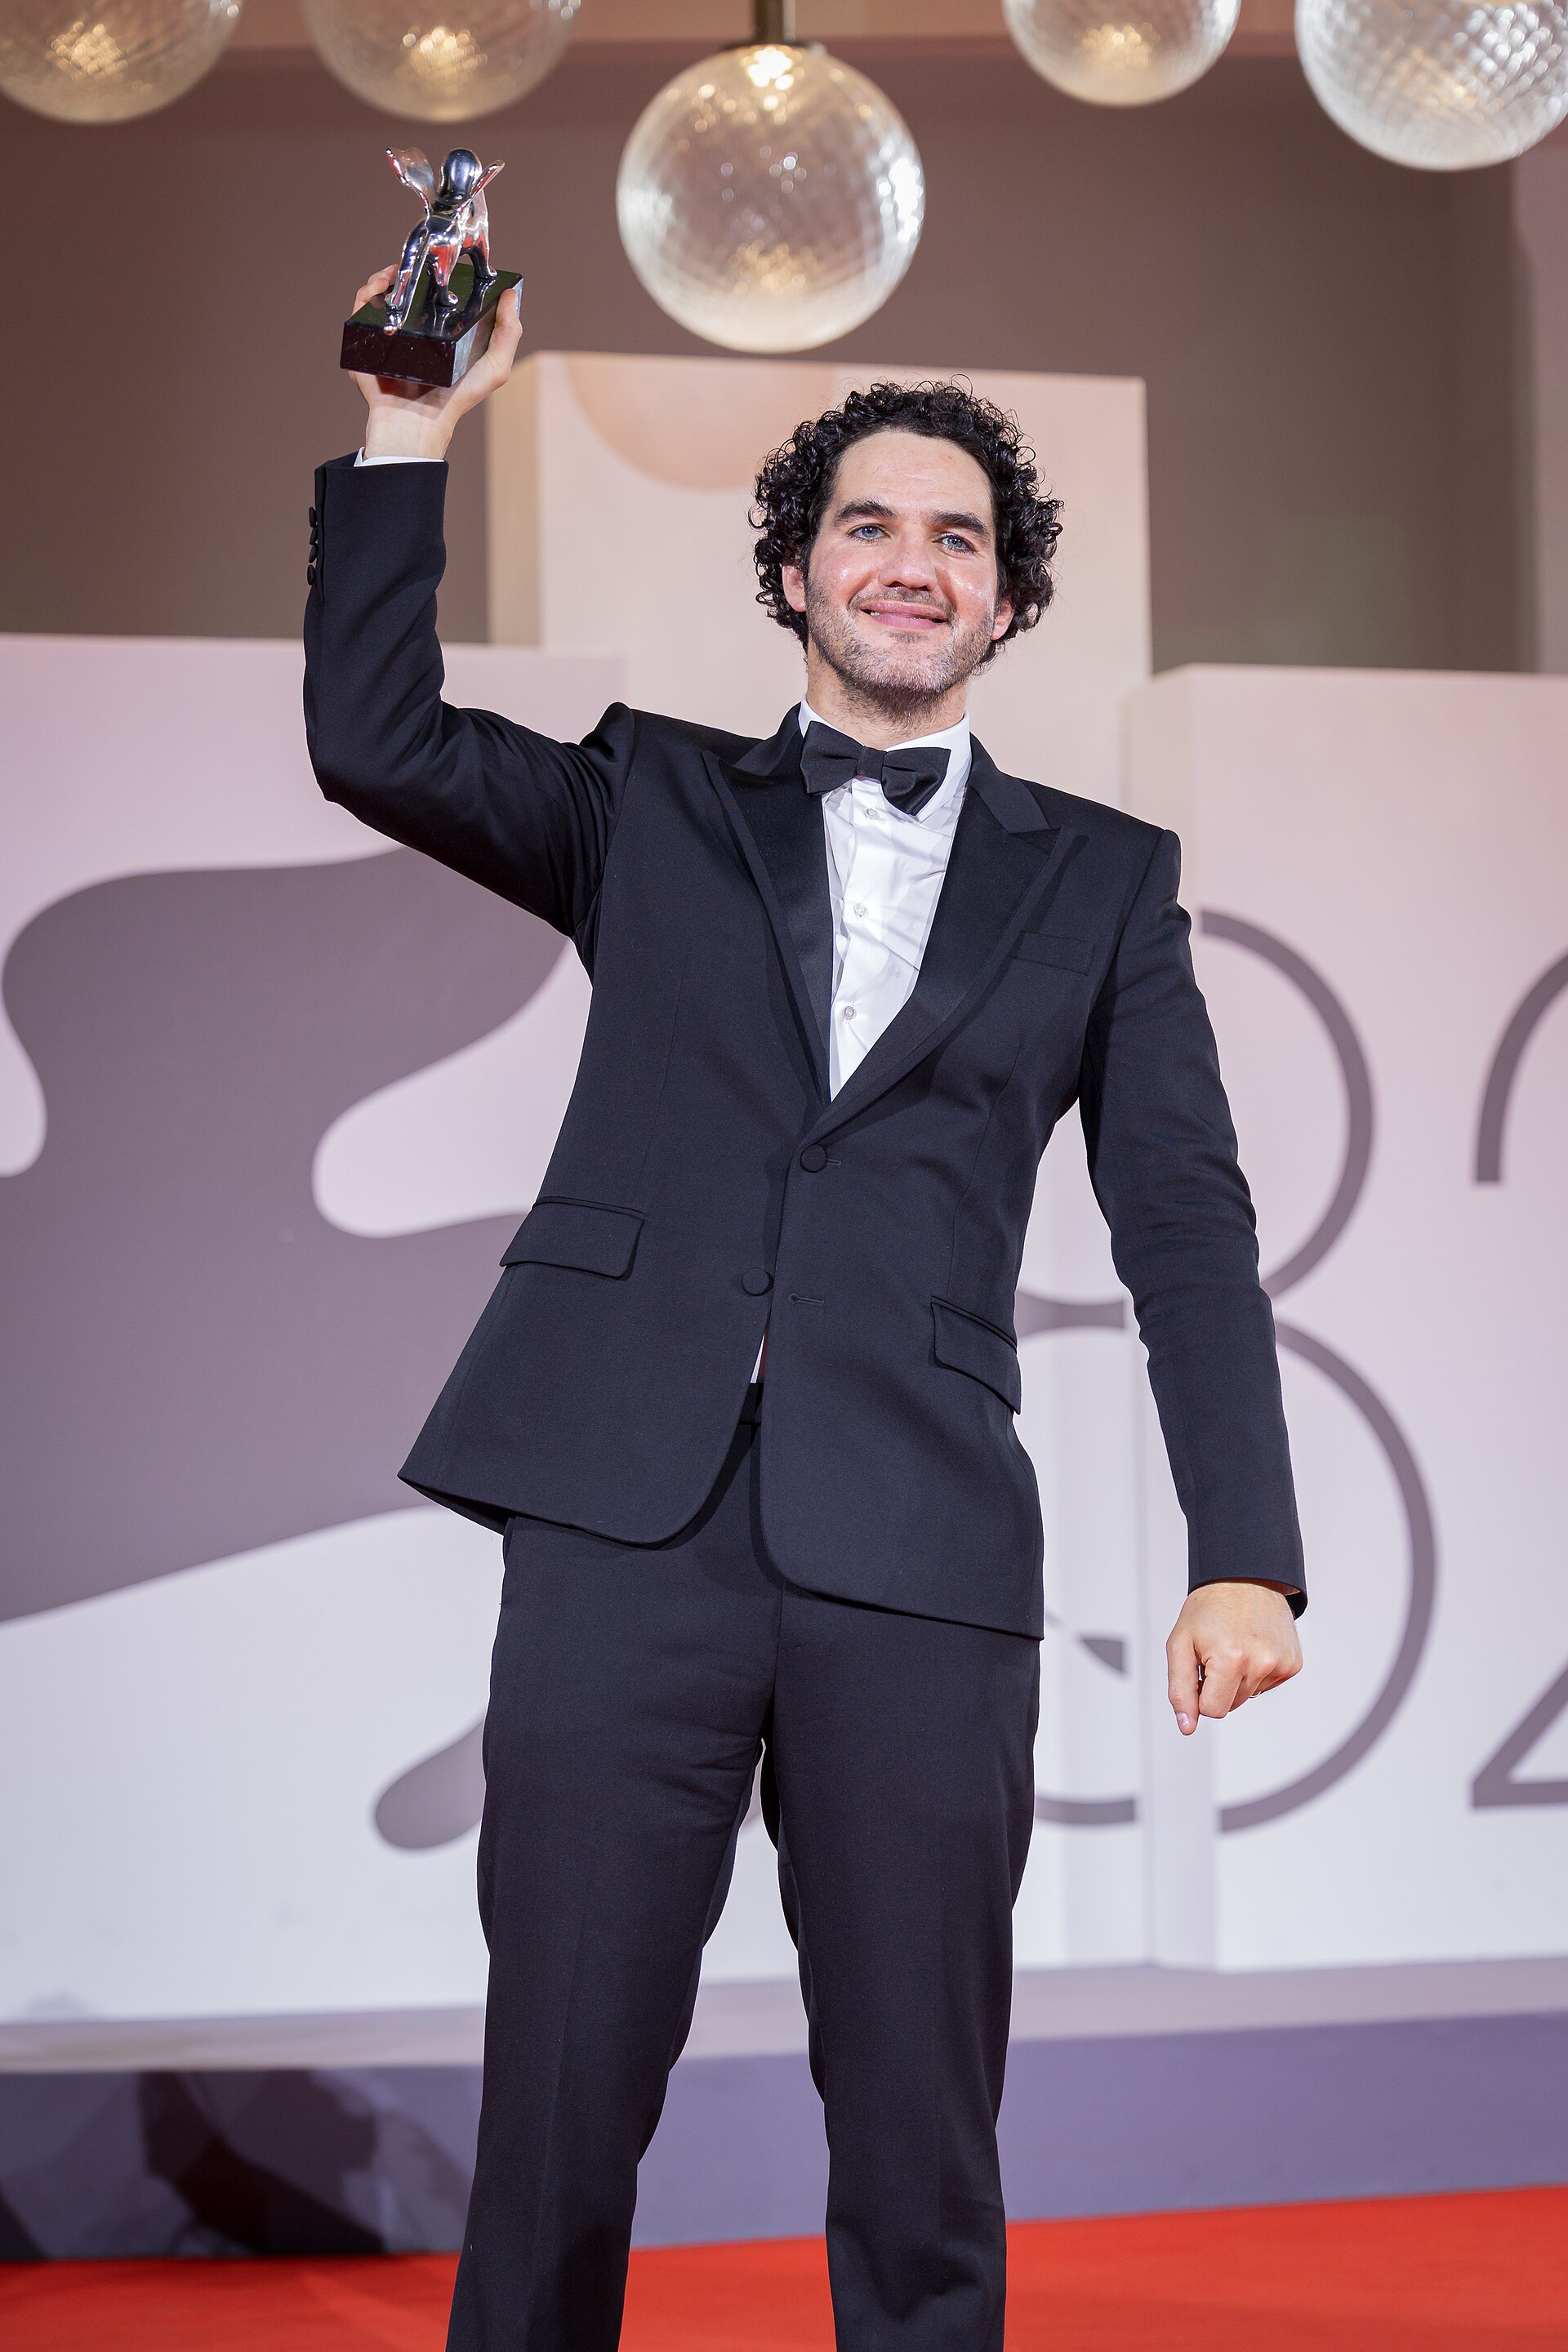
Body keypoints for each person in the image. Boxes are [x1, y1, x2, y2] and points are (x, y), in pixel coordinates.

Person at [305, 274, 1305, 2352]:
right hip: (620, 1522)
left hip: (922, 1550)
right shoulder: (648, 798)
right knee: (562, 2109)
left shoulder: (1106, 883)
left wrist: (1248, 1556)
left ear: (1009, 603)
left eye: (957, 536)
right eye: (869, 523)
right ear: (794, 570)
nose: (911, 562)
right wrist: (410, 430)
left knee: (926, 2139)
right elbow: (374, 739)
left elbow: (1187, 1227)